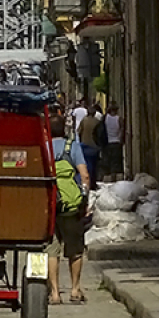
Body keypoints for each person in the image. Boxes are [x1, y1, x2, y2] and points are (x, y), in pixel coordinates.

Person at [47, 115, 90, 305]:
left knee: (51, 251)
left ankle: (55, 293)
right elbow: (85, 175)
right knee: (75, 250)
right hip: (70, 207)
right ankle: (74, 289)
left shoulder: (43, 147)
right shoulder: (71, 146)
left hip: (50, 206)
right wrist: (84, 198)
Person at [77, 107, 102, 190]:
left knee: (86, 165)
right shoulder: (97, 122)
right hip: (94, 146)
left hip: (84, 145)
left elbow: (79, 131)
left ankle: (87, 182)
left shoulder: (84, 120)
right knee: (94, 165)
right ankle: (93, 183)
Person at [104, 103, 123, 177]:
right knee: (117, 160)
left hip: (108, 142)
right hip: (117, 142)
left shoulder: (106, 118)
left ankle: (111, 175)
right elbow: (122, 129)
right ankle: (116, 175)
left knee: (109, 160)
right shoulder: (119, 119)